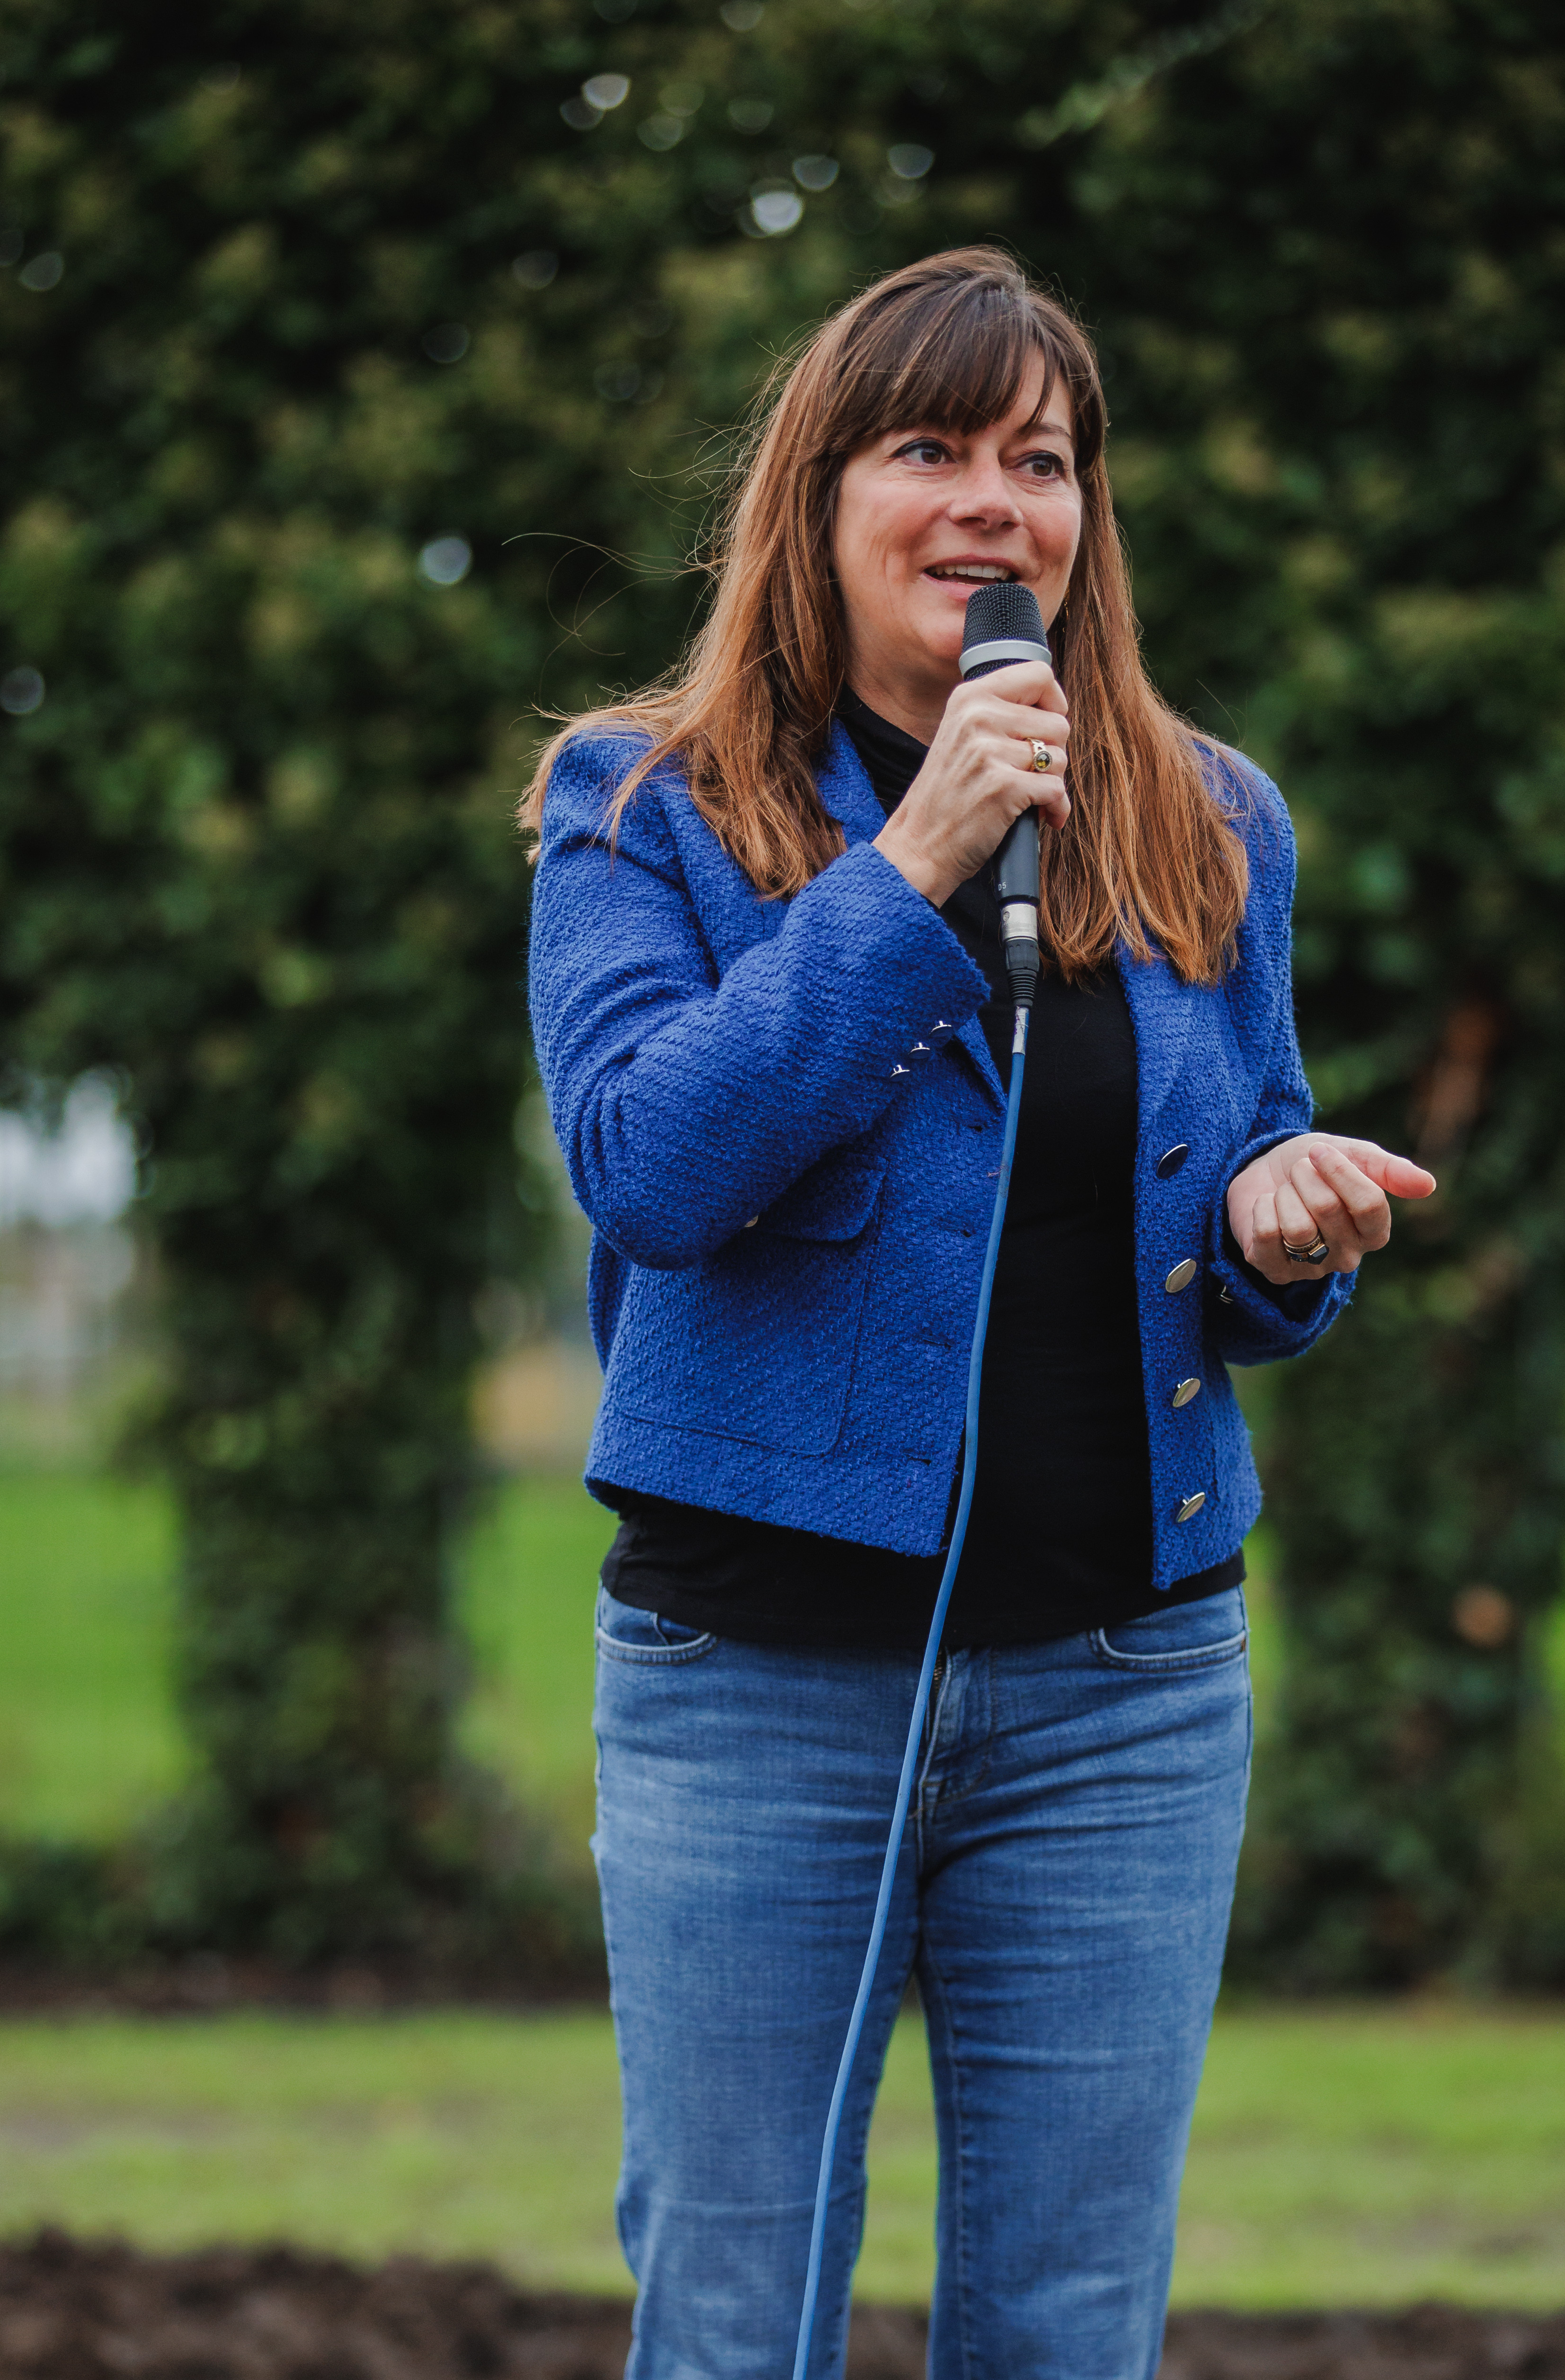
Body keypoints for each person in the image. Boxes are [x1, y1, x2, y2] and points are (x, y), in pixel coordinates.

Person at [522, 248, 1433, 2380]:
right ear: (820, 495)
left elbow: (1239, 1184)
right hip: (757, 1687)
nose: (993, 503)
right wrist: (912, 865)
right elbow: (649, 1168)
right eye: (929, 449)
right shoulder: (641, 805)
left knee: (1068, 2331)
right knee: (737, 2321)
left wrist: (1284, 1230)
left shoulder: (1212, 817)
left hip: (1129, 1696)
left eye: (1040, 459)